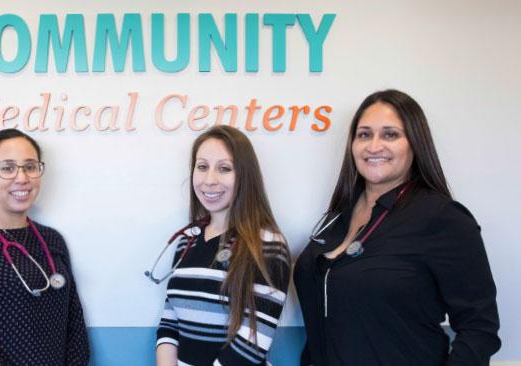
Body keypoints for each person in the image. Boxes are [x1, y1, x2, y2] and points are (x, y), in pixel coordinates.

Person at [294, 89, 501, 366]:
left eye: (390, 134)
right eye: (364, 134)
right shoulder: (336, 217)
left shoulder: (443, 219)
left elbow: (480, 329)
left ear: (415, 143)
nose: (374, 146)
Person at [0, 129, 90, 366]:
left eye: (30, 167)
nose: (22, 178)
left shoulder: (52, 240)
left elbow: (74, 325)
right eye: (7, 167)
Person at [154, 125, 291, 365]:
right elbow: (169, 322)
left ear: (245, 175)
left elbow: (254, 342)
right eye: (202, 167)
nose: (209, 180)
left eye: (224, 168)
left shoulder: (268, 245)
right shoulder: (187, 240)